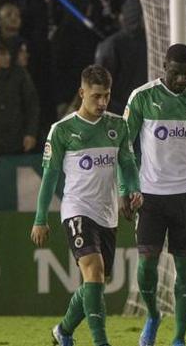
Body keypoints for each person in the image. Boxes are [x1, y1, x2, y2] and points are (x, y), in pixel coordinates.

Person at [30, 65, 142, 346]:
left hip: (107, 213)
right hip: (77, 210)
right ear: (82, 93)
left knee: (96, 282)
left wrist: (132, 189)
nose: (102, 102)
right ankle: (101, 342)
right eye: (96, 96)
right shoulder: (62, 130)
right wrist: (40, 218)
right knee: (93, 270)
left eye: (106, 96)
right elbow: (50, 177)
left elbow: (127, 165)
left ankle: (63, 331)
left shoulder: (118, 126)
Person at [125, 43, 186, 346]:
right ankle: (153, 314)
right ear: (164, 67)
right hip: (150, 194)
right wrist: (126, 188)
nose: (181, 79)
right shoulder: (143, 97)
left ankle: (179, 338)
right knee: (146, 264)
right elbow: (123, 148)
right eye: (176, 73)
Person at [0, 42, 40, 156]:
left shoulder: (19, 75)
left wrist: (31, 133)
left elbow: (32, 105)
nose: (7, 58)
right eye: (2, 54)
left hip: (17, 142)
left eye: (9, 54)